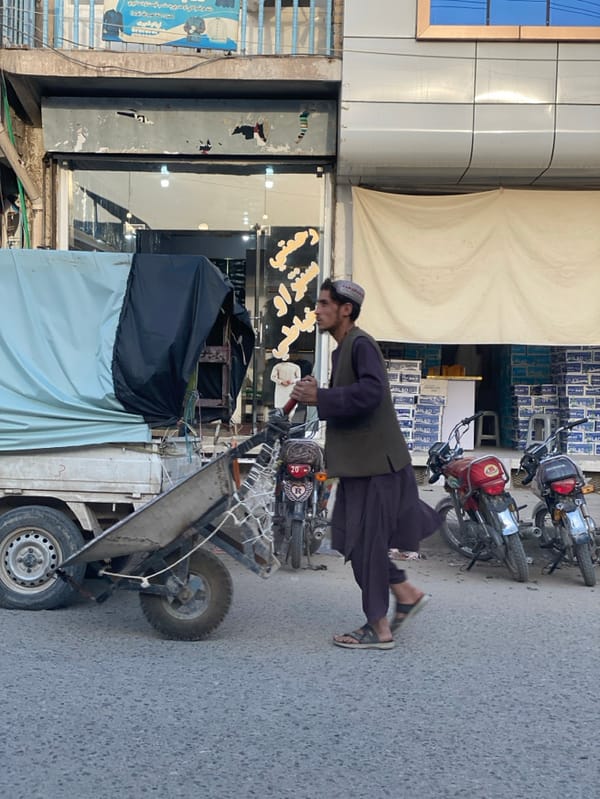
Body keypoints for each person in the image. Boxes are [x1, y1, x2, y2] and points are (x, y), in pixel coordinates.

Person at [290, 278, 441, 650]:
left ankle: (378, 628)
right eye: (318, 303)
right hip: (360, 465)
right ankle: (405, 594)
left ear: (345, 309)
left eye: (325, 304)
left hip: (377, 467)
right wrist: (316, 397)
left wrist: (321, 396)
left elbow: (372, 393)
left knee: (367, 546)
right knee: (349, 539)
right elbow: (347, 398)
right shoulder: (342, 351)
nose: (318, 310)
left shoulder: (361, 344)